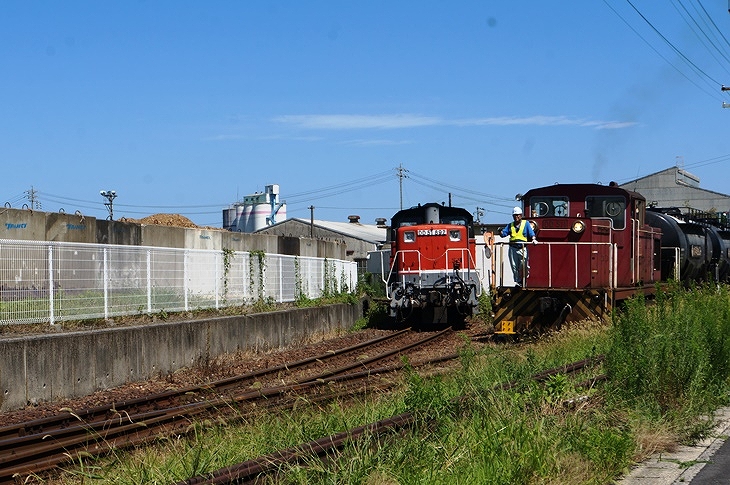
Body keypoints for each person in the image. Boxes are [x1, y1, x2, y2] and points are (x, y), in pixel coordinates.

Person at [500, 206, 537, 287]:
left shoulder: (526, 223)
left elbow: (531, 233)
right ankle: (518, 282)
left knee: (524, 265)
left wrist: (533, 239)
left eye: (518, 215)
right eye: (515, 215)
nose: (516, 217)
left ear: (521, 215)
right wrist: (501, 232)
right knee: (514, 266)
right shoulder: (510, 225)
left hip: (523, 248)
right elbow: (504, 234)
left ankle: (524, 280)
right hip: (513, 248)